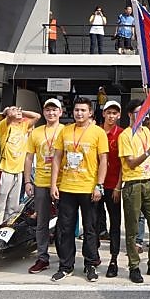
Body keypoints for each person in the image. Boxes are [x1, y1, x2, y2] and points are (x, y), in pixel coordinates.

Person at [49, 97, 109, 282]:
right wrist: (53, 184)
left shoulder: (98, 133)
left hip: (89, 188)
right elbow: (57, 158)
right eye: (76, 110)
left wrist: (99, 185)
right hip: (67, 187)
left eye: (83, 110)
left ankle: (90, 264)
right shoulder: (65, 131)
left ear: (90, 112)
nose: (79, 113)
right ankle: (66, 266)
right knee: (65, 229)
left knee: (90, 229)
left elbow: (104, 161)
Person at [119, 106, 150, 283]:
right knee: (132, 228)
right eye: (136, 113)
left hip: (149, 183)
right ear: (129, 114)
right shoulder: (125, 135)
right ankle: (134, 266)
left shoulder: (147, 133)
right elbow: (131, 163)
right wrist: (148, 152)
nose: (140, 116)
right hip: (133, 184)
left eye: (143, 112)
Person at [23, 98, 64, 274]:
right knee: (41, 222)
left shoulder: (66, 131)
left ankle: (65, 258)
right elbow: (28, 157)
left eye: (54, 110)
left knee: (65, 223)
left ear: (61, 112)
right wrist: (27, 180)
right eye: (48, 110)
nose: (51, 113)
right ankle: (42, 257)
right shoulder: (36, 132)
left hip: (63, 183)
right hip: (40, 181)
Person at [0, 105, 40, 227]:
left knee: (13, 206)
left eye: (18, 109)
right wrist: (9, 112)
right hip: (5, 169)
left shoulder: (23, 126)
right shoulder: (4, 126)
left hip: (19, 171)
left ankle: (6, 228)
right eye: (13, 109)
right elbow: (9, 118)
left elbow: (37, 116)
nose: (17, 111)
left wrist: (20, 112)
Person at [97, 100, 124, 277]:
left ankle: (113, 259)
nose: (111, 116)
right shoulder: (95, 132)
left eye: (114, 113)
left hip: (113, 186)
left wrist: (117, 186)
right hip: (95, 186)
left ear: (119, 115)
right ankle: (93, 256)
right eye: (108, 112)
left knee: (115, 224)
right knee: (95, 223)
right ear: (103, 114)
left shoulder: (122, 134)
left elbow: (123, 163)